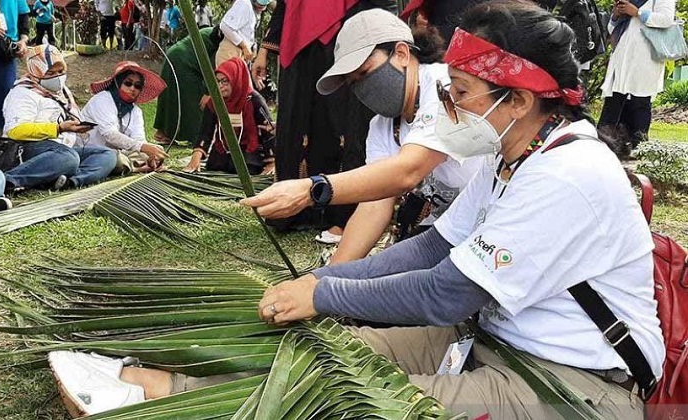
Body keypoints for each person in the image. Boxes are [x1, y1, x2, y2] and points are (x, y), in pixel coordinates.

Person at [253, 2, 664, 418]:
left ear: (519, 101)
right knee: (317, 362)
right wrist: (319, 278)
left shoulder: (566, 174)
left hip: (567, 380)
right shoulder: (506, 157)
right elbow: (432, 247)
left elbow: (444, 293)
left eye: (461, 92)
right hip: (491, 341)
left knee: (338, 403)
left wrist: (324, 293)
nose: (448, 104)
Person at [308, 10, 480, 253]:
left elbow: (408, 171)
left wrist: (313, 190)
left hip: (488, 229)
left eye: (365, 73)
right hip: (447, 230)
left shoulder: (446, 88)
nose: (363, 88)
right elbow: (374, 204)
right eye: (353, 82)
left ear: (401, 53)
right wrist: (324, 278)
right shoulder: (382, 126)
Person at [250, 0, 397, 234]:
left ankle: (344, 215)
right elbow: (286, 5)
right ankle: (293, 210)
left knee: (345, 123)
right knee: (297, 124)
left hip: (349, 34)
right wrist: (264, 49)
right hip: (299, 48)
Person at [2, 45, 116, 191]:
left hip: (62, 148)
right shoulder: (22, 93)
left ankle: (68, 182)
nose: (58, 77)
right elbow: (15, 131)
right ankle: (9, 181)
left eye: (61, 71)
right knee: (69, 158)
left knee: (106, 154)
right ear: (36, 72)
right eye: (50, 73)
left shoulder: (62, 92)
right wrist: (59, 128)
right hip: (28, 148)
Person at [598, 0, 676, 151]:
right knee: (613, 103)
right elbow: (611, 28)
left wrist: (638, 13)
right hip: (622, 60)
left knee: (639, 103)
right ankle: (605, 147)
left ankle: (637, 150)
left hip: (644, 59)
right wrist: (616, 15)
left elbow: (666, 19)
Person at [183, 57, 275, 175]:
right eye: (218, 81)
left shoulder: (254, 100)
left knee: (247, 168)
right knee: (216, 166)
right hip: (224, 149)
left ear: (236, 79)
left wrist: (272, 163)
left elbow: (269, 131)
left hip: (249, 149)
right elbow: (205, 131)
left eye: (225, 81)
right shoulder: (214, 101)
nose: (220, 86)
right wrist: (195, 159)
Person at [80, 61, 168, 174]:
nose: (132, 88)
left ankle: (141, 165)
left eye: (137, 86)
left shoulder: (136, 112)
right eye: (128, 83)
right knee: (116, 159)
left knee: (153, 151)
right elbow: (109, 135)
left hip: (119, 152)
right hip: (89, 150)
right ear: (118, 83)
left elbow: (139, 140)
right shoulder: (102, 99)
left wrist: (151, 155)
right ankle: (133, 167)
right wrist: (143, 147)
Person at [152, 26, 223, 144]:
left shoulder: (213, 31)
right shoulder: (222, 39)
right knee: (194, 101)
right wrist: (208, 92)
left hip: (174, 54)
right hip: (185, 61)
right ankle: (197, 138)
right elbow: (212, 68)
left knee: (172, 96)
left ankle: (164, 133)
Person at [0, 0, 29, 135]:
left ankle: (1, 140)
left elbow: (23, 17)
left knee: (5, 95)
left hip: (4, 50)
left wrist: (23, 40)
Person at [215, 0, 269, 66]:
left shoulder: (256, 10)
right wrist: (244, 46)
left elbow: (248, 32)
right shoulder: (244, 3)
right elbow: (225, 26)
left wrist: (253, 48)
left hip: (242, 54)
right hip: (232, 50)